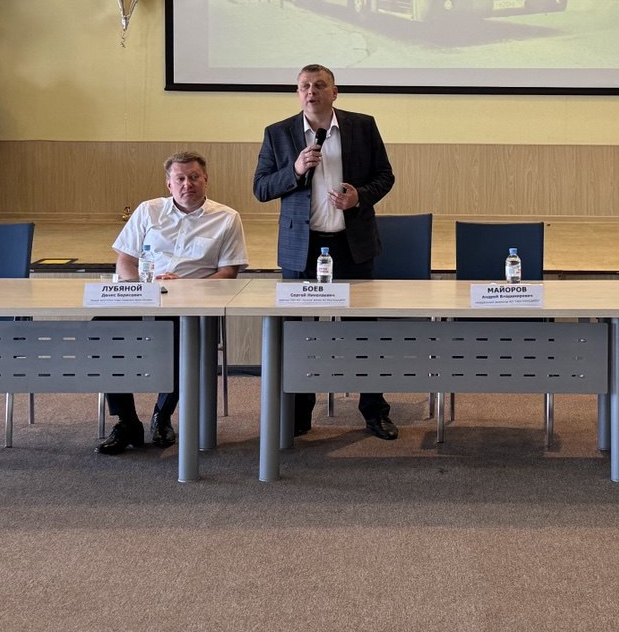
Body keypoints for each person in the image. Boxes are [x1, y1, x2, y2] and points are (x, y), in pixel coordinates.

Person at [252, 64, 399, 440]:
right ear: (297, 93)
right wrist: (294, 169)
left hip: (352, 246)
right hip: (302, 248)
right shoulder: (278, 133)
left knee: (364, 332)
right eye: (304, 86)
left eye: (319, 85)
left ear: (334, 92)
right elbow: (261, 188)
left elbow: (385, 176)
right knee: (299, 333)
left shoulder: (362, 126)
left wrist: (359, 196)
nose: (311, 91)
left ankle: (374, 410)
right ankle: (299, 413)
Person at [97, 151, 248, 456]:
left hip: (192, 304)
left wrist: (186, 288)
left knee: (182, 336)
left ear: (206, 179)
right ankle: (127, 422)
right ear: (169, 184)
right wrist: (142, 288)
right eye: (180, 178)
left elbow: (228, 273)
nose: (187, 184)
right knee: (102, 331)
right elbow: (125, 259)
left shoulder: (227, 217)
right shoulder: (148, 210)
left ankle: (162, 415)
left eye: (193, 177)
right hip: (144, 296)